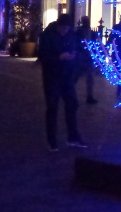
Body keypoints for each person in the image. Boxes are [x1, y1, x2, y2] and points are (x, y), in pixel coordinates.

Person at [37, 13, 86, 150]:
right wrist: (59, 57)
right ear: (58, 26)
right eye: (63, 28)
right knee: (52, 108)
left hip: (67, 76)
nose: (65, 31)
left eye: (67, 28)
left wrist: (74, 56)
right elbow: (43, 56)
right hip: (52, 76)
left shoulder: (72, 34)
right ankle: (52, 140)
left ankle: (73, 136)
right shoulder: (48, 35)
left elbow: (78, 48)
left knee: (72, 104)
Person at [74, 16, 98, 104]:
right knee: (77, 76)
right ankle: (69, 92)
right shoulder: (79, 32)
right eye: (86, 21)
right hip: (82, 57)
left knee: (89, 78)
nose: (87, 23)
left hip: (88, 57)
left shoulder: (90, 32)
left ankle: (90, 96)